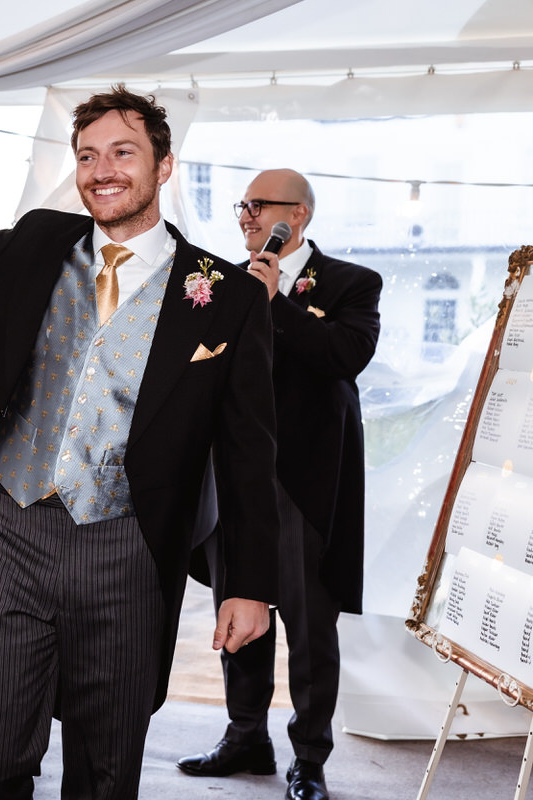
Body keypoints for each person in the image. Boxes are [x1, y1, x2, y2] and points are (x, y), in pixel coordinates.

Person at [0, 76, 279, 799]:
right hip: (12, 529)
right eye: (89, 154)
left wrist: (250, 585)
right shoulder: (40, 241)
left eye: (124, 153)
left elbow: (248, 452)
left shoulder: (223, 295)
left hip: (127, 548)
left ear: (163, 166)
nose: (103, 169)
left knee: (104, 771)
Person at [176, 169, 382, 800]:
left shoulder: (352, 282)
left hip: (305, 484)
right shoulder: (220, 283)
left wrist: (277, 304)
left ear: (301, 215)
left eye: (259, 206)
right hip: (236, 476)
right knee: (238, 610)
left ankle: (310, 758)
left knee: (309, 627)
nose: (247, 216)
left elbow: (345, 357)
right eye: (244, 205)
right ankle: (246, 737)